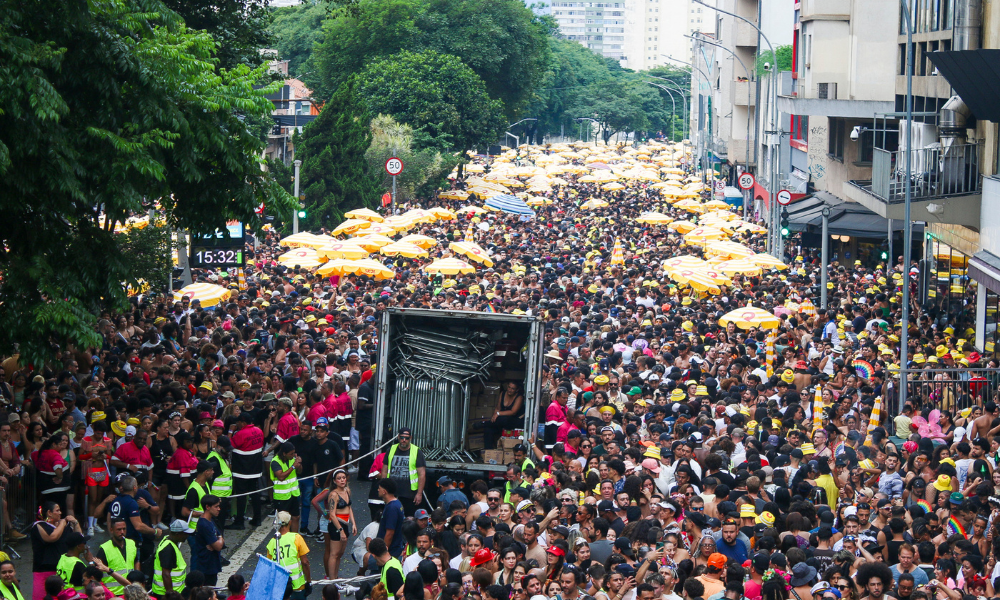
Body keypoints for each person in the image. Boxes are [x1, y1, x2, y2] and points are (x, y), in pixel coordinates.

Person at [31, 502, 81, 600]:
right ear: (49, 513)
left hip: (61, 571)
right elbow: (52, 537)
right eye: (57, 511)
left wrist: (75, 523)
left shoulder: (66, 526)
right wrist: (62, 523)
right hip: (43, 571)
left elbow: (79, 539)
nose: (60, 513)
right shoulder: (39, 525)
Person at [265, 511, 311, 600]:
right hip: (297, 585)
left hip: (280, 587)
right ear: (290, 522)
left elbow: (269, 567)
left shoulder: (272, 542)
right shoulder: (296, 537)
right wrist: (308, 581)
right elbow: (305, 562)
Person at [380, 429, 426, 516]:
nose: (404, 440)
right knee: (391, 517)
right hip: (392, 492)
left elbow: (422, 474)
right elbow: (384, 471)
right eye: (401, 437)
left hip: (409, 494)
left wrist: (419, 494)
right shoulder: (391, 450)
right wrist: (384, 490)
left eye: (406, 438)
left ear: (410, 438)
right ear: (398, 437)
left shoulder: (416, 451)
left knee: (408, 519)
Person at [230, 412, 264, 529]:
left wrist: (230, 431)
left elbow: (229, 446)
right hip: (255, 468)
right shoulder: (259, 431)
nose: (237, 424)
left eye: (238, 422)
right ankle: (257, 519)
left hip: (242, 469)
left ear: (243, 422)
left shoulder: (240, 434)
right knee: (255, 493)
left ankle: (239, 522)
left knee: (241, 495)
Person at [93, 518, 138, 597]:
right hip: (113, 593)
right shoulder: (105, 548)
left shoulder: (131, 543)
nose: (122, 532)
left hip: (130, 591)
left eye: (124, 529)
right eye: (119, 529)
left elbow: (136, 561)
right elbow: (97, 572)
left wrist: (137, 580)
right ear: (111, 530)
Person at [151, 520, 193, 597]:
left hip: (172, 592)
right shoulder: (168, 549)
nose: (187, 536)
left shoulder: (168, 540)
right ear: (177, 534)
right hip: (165, 594)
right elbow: (166, 575)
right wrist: (171, 596)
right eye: (185, 534)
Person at [190, 495, 224, 587]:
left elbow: (219, 538)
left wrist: (219, 538)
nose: (219, 509)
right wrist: (219, 539)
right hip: (207, 566)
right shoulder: (205, 525)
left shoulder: (210, 520)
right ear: (207, 507)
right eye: (216, 506)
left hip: (211, 565)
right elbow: (218, 546)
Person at [271, 442, 303, 534]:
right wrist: (293, 467)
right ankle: (283, 538)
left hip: (293, 494)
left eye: (294, 453)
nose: (293, 455)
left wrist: (299, 464)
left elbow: (300, 472)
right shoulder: (275, 462)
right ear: (284, 453)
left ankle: (294, 537)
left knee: (296, 517)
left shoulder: (292, 459)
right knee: (283, 520)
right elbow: (281, 477)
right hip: (281, 496)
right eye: (291, 454)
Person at [376, 479, 406, 558]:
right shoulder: (396, 503)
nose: (378, 490)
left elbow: (390, 532)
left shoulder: (392, 508)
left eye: (379, 488)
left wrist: (384, 552)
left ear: (384, 491)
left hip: (392, 550)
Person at [56, 531, 90, 595]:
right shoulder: (78, 565)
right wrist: (91, 562)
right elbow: (92, 582)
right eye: (84, 543)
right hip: (77, 597)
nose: (85, 545)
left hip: (64, 596)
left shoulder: (62, 558)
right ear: (78, 546)